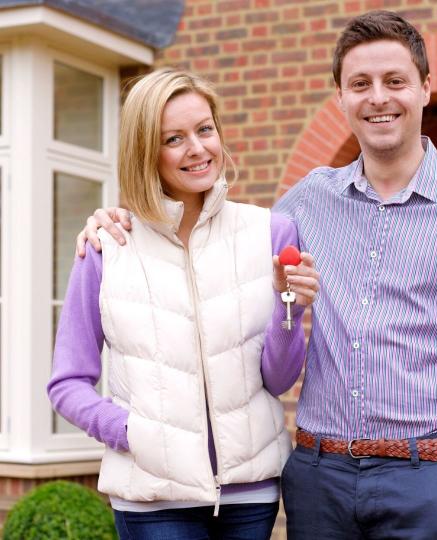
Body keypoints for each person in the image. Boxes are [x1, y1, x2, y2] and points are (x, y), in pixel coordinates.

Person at [75, 11, 437, 539]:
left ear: (425, 88)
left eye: (395, 81)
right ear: (341, 97)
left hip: (429, 480)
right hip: (319, 480)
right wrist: (122, 216)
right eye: (360, 84)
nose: (378, 98)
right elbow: (219, 241)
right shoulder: (304, 204)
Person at [49, 69, 320, 539]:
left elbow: (277, 380)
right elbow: (67, 382)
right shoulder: (107, 246)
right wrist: (131, 433)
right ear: (145, 152)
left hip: (249, 495)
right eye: (173, 138)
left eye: (204, 129)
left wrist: (286, 303)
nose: (197, 149)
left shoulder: (270, 233)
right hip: (153, 499)